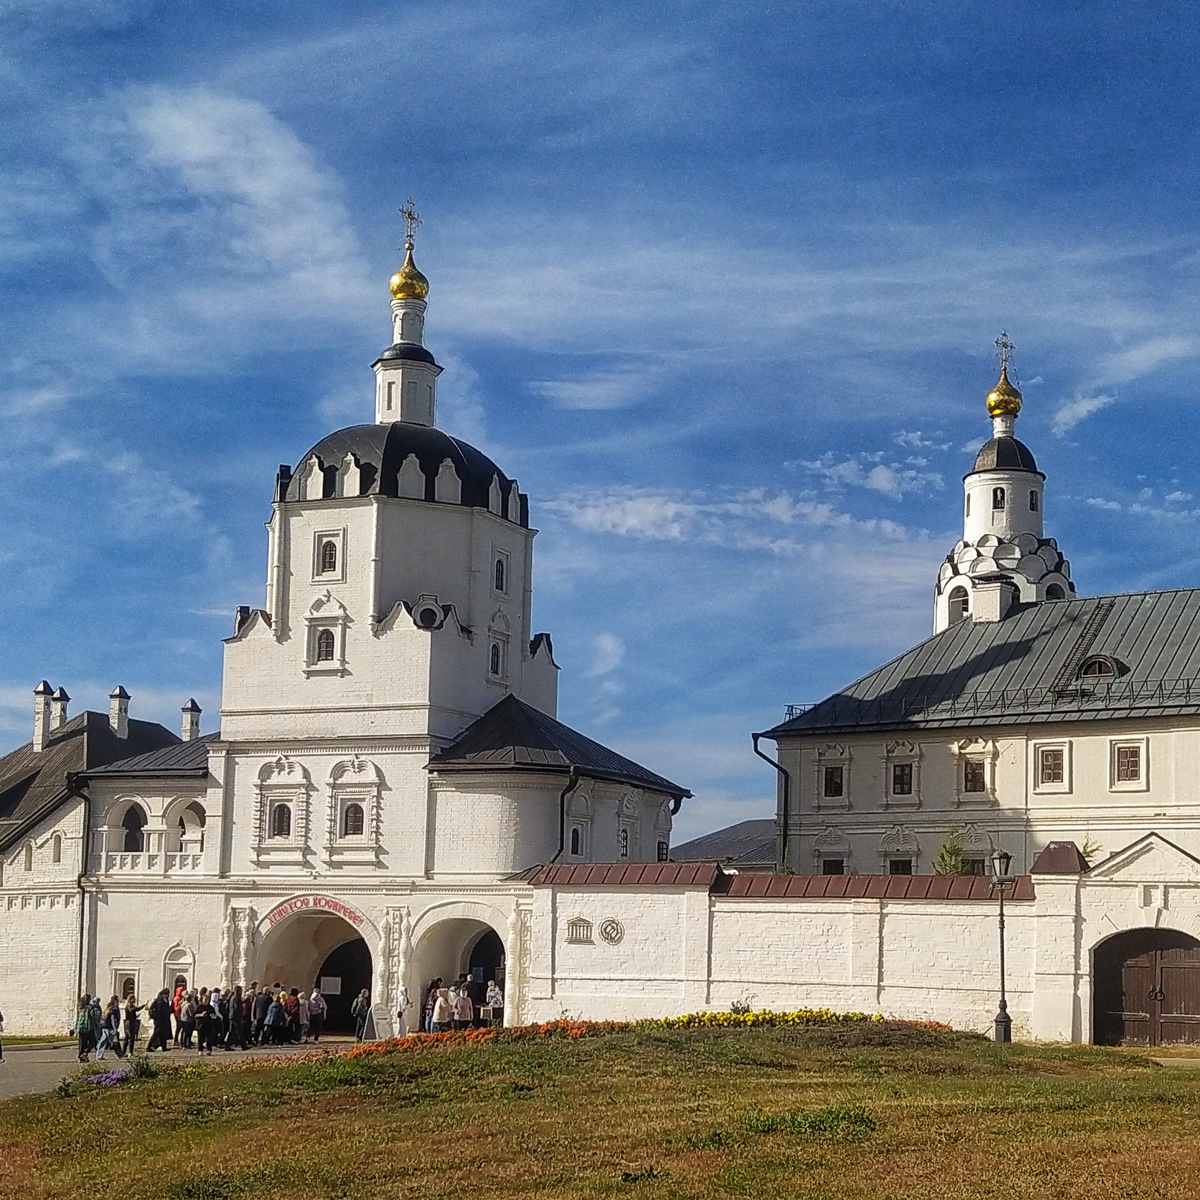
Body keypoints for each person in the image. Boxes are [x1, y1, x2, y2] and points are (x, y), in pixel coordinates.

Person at [96, 996, 123, 1060]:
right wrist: (114, 1029)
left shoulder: (107, 1009)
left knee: (103, 1041)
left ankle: (99, 1055)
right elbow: (112, 1020)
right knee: (114, 1041)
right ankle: (120, 1054)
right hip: (109, 1029)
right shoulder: (112, 1011)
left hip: (104, 1027)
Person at [74, 994, 99, 1062]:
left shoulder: (80, 1007)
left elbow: (78, 1018)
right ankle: (85, 1052)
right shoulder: (90, 1007)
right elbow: (93, 1015)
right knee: (93, 1041)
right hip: (88, 1027)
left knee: (82, 1043)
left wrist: (75, 1027)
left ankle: (81, 1056)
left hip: (80, 1027)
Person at [193, 988, 214, 1055]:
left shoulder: (210, 1007)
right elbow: (195, 1015)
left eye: (207, 1000)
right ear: (202, 1000)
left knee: (209, 1038)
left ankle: (209, 1050)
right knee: (200, 1038)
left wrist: (212, 1015)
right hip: (201, 1024)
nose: (206, 1001)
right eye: (204, 1000)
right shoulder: (199, 1007)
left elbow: (214, 1015)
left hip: (209, 1024)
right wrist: (201, 1015)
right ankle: (200, 1050)